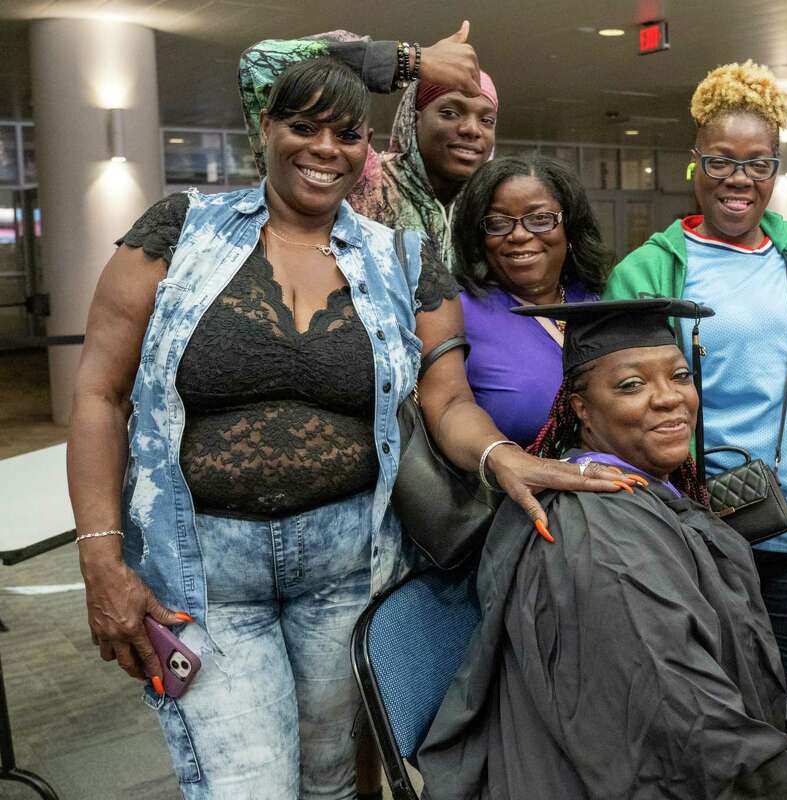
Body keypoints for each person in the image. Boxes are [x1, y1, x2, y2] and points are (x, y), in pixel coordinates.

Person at [66, 59, 632, 800]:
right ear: (265, 130)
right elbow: (99, 396)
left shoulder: (402, 258)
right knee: (249, 787)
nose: (325, 149)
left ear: (369, 147)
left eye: (346, 134)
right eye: (303, 127)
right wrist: (101, 562)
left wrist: (501, 458)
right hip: (204, 572)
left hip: (348, 568)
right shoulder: (179, 232)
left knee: (333, 784)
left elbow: (447, 401)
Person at [418, 298, 787, 800]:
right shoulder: (600, 537)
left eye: (681, 376)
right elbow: (678, 712)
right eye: (631, 385)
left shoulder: (640, 488)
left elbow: (725, 649)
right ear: (580, 406)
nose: (670, 398)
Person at [603, 60, 787, 737]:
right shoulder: (651, 271)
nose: (738, 180)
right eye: (720, 162)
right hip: (710, 535)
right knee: (722, 725)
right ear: (695, 163)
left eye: (757, 164)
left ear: (777, 169)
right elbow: (614, 412)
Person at [239, 22, 496, 267]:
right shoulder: (370, 180)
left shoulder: (492, 207)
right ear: (413, 119)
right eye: (450, 113)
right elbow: (259, 63)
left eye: (487, 119)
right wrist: (409, 61)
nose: (471, 129)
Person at [451, 155, 611, 446]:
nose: (519, 234)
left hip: (623, 485)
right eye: (498, 223)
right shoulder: (458, 312)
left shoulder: (600, 300)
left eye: (540, 219)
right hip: (515, 487)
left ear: (570, 228)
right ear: (479, 236)